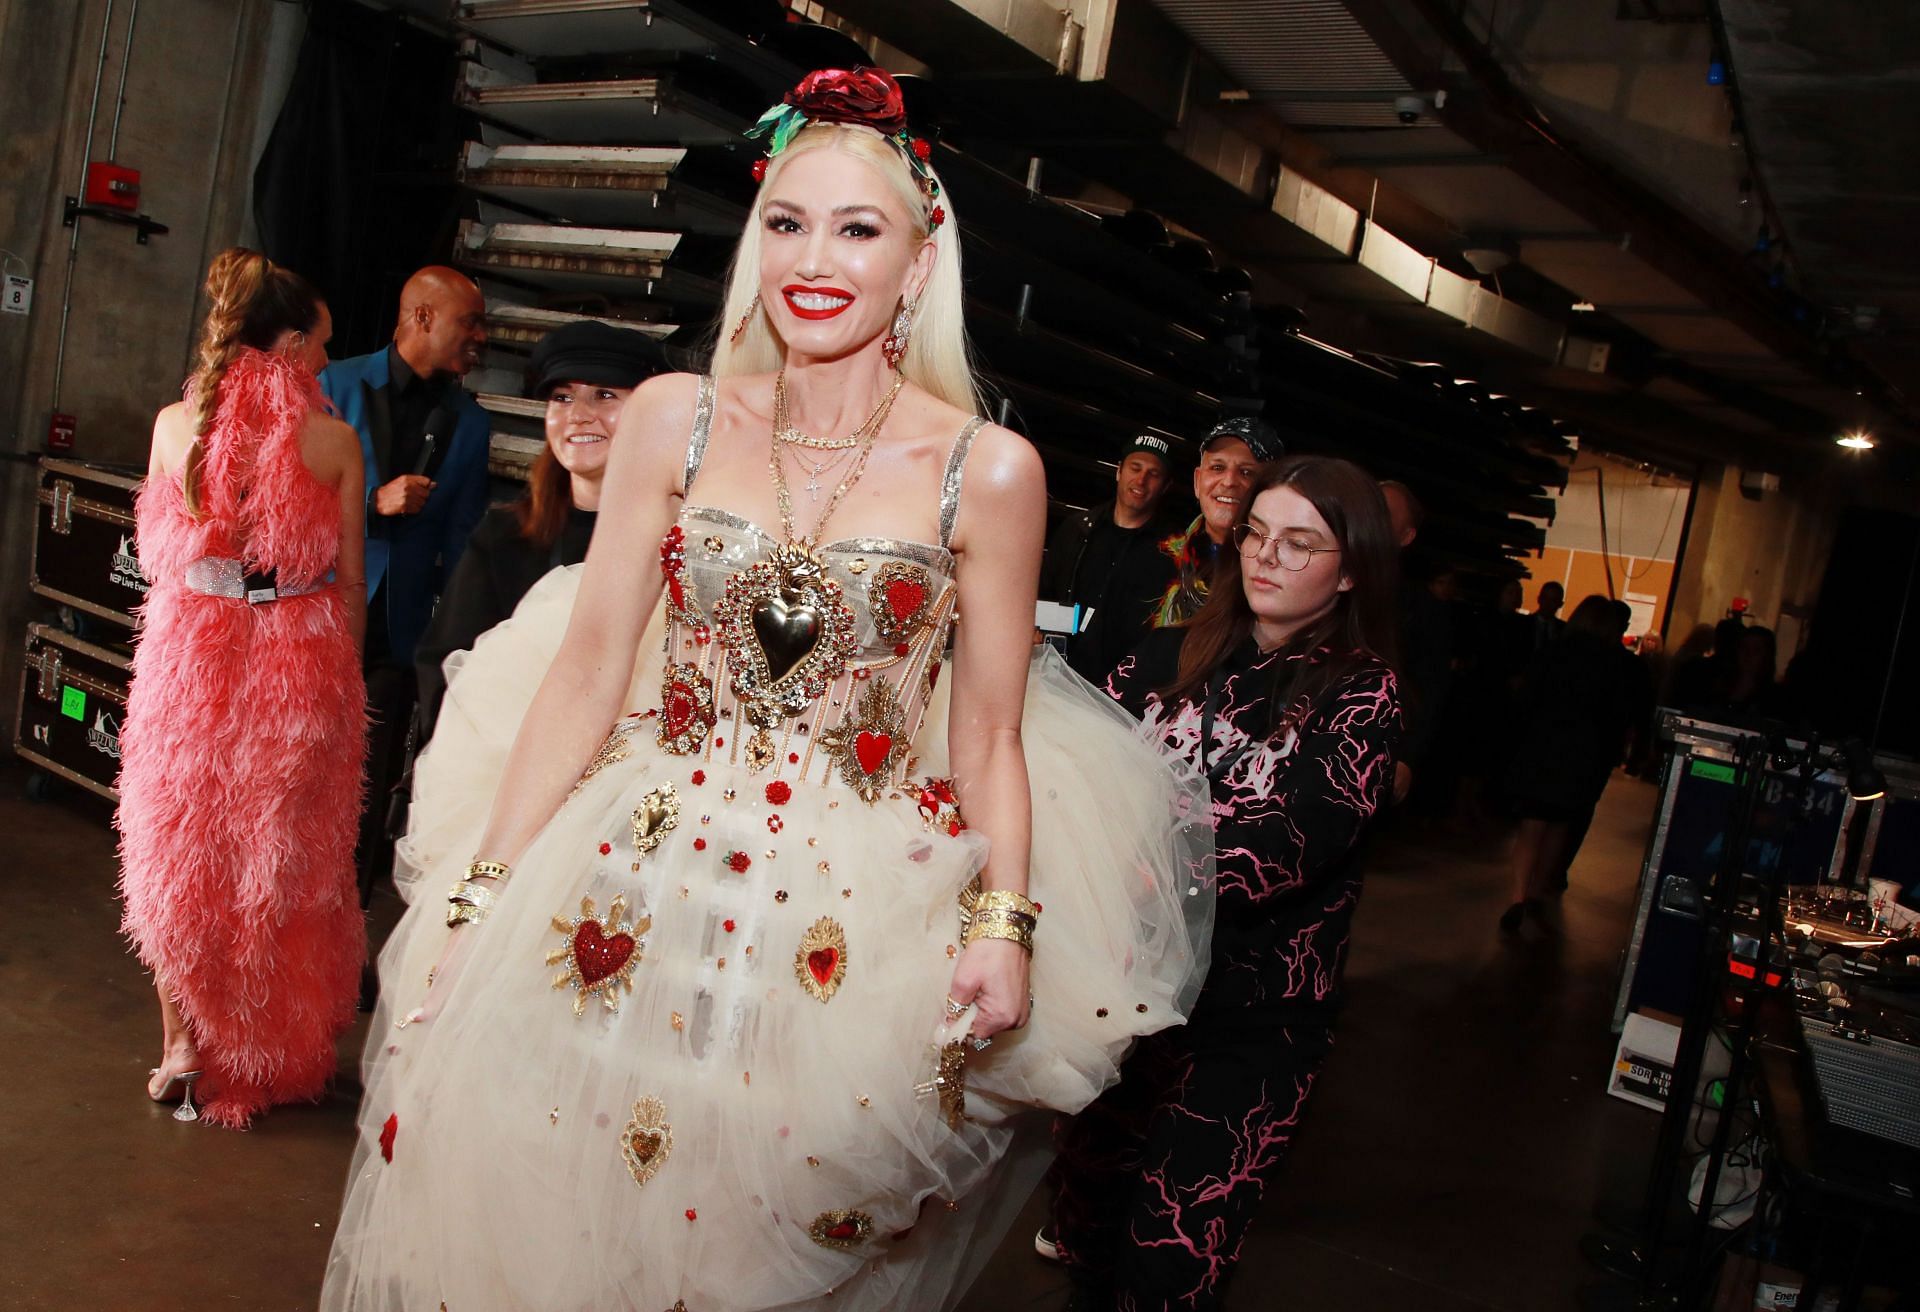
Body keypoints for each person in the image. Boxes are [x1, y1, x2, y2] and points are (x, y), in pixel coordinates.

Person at [324, 67, 1211, 1312]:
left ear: (918, 260)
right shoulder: (675, 419)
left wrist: (1001, 926)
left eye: (859, 229)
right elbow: (587, 671)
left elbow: (992, 727)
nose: (818, 258)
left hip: (848, 921)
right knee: (567, 1212)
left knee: (763, 1245)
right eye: (788, 223)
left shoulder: (988, 470)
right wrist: (479, 894)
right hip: (632, 868)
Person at [1045, 456, 1402, 1311]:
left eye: (1299, 543)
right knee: (1083, 1227)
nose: (1266, 557)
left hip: (1253, 1022)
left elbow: (1289, 842)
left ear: (1350, 567)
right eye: (1256, 534)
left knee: (1169, 1259)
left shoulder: (1362, 692)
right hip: (1129, 998)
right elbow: (1080, 765)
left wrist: (1144, 857)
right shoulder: (1172, 651)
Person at [116, 248, 367, 1128]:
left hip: (186, 652)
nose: (330, 362)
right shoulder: (333, 442)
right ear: (292, 342)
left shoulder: (168, 427)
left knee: (172, 850)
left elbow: (153, 561)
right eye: (323, 343)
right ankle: (261, 1050)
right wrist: (346, 696)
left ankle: (183, 1046)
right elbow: (346, 584)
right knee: (273, 860)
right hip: (293, 661)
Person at [321, 266, 491, 898]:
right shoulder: (333, 385)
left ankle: (345, 926)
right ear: (422, 317)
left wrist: (452, 642)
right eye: (469, 322)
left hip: (397, 637)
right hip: (319, 616)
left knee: (367, 785)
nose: (481, 337)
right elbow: (286, 501)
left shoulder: (469, 424)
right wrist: (371, 503)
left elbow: (464, 540)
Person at [413, 320, 664, 743]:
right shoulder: (506, 537)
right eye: (562, 397)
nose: (579, 415)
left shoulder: (677, 545)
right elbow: (441, 671)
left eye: (604, 395)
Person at [1501, 595, 1632, 928]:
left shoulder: (1554, 652)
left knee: (1531, 827)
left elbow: (1527, 698)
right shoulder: (1614, 663)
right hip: (1582, 756)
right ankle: (1535, 893)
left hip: (1543, 747)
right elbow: (1617, 717)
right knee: (1558, 828)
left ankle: (1516, 895)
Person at [1039, 431, 1180, 681]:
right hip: (1055, 678)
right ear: (1119, 471)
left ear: (1166, 486)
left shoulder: (1171, 553)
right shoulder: (1077, 529)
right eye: (1135, 468)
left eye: (1153, 474)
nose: (1141, 479)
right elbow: (1047, 593)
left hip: (1121, 694)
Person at [1151, 415, 1279, 628]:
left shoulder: (1282, 571)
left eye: (1246, 472)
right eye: (1218, 468)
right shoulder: (1157, 558)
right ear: (1197, 481)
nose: (1229, 481)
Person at [1529, 579, 1566, 650]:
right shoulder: (1521, 624)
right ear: (1539, 599)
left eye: (1553, 600)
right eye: (1545, 598)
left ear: (1560, 604)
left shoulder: (1565, 631)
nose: (1548, 604)